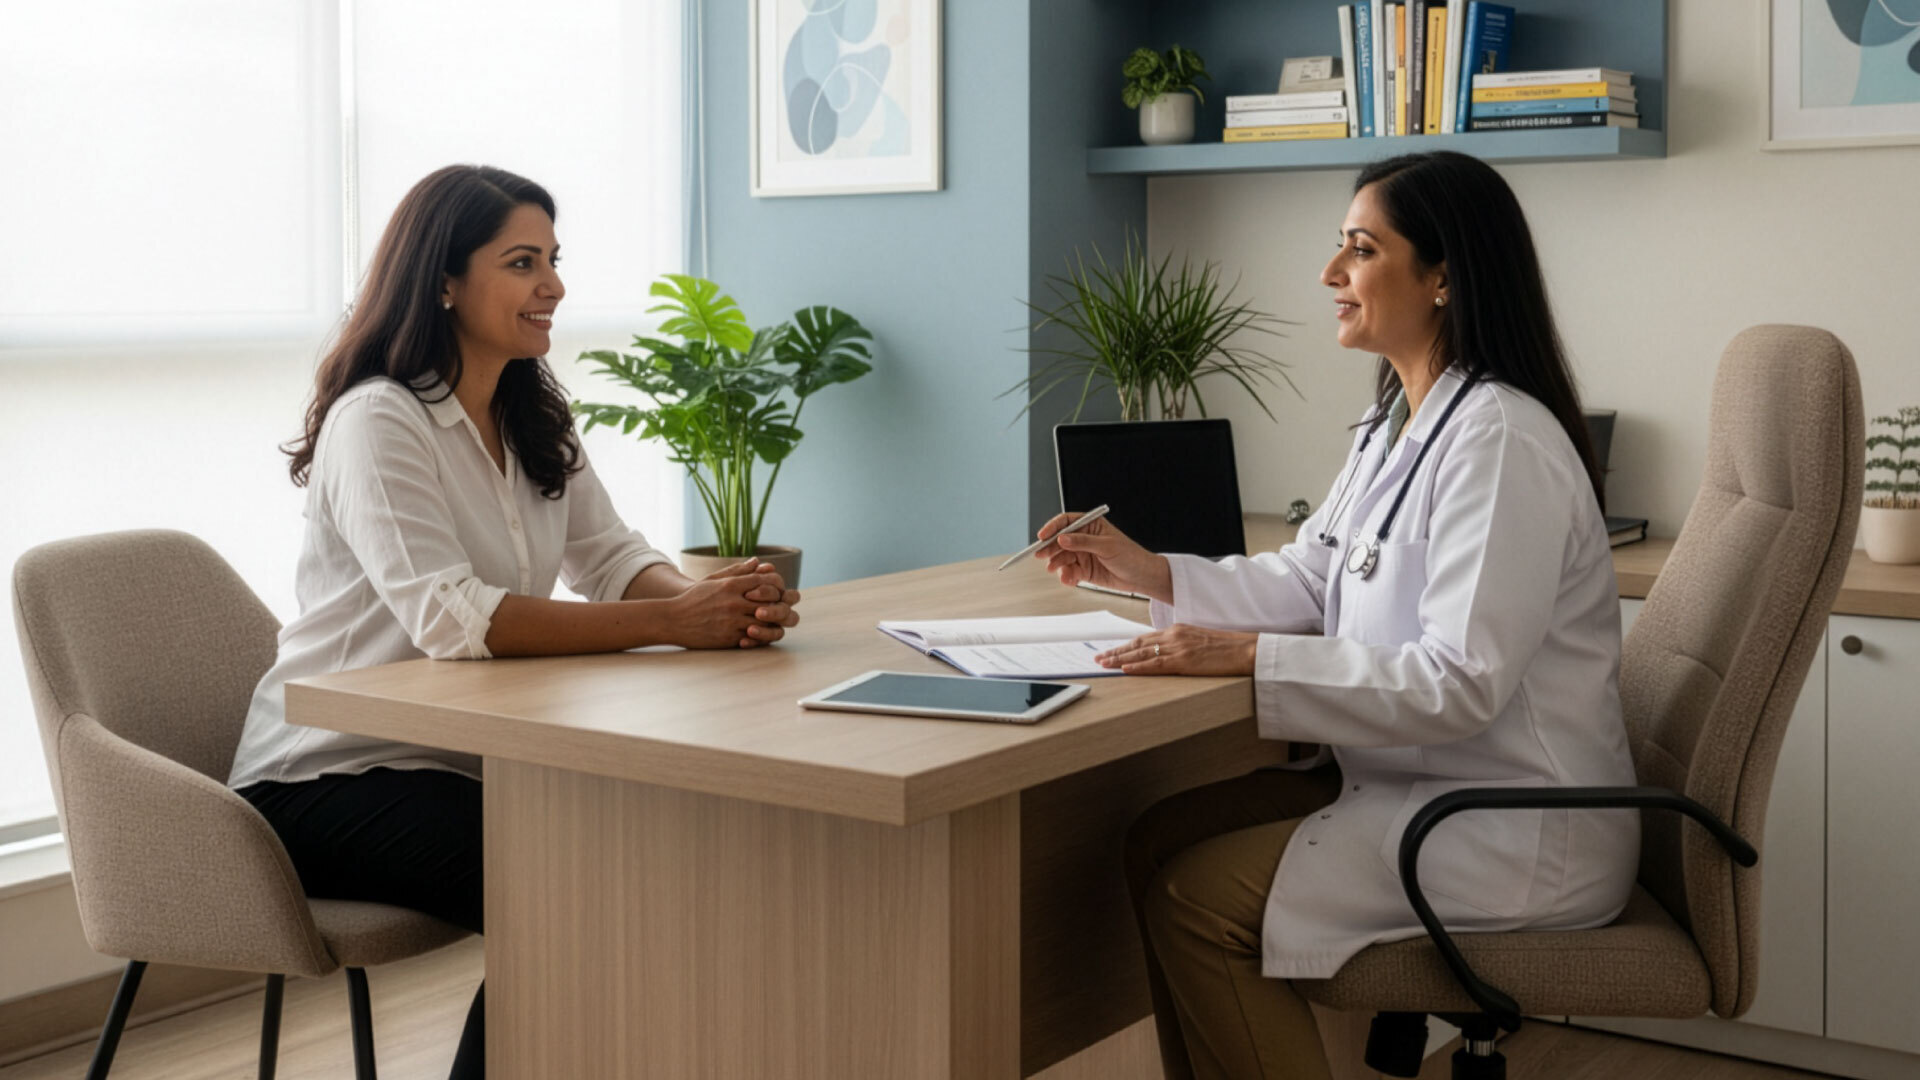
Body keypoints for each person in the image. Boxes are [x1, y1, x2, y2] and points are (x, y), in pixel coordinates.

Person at [1029, 151, 1638, 1080]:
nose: (1330, 274)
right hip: (1420, 780)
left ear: (1442, 278)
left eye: (1360, 250)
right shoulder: (1397, 420)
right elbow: (1315, 581)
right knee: (1154, 837)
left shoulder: (1499, 440)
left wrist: (1247, 659)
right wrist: (1146, 566)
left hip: (1509, 817)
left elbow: (1460, 680)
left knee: (1194, 899)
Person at [226, 164, 801, 1080]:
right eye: (522, 262)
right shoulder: (379, 419)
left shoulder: (531, 413)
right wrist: (673, 624)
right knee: (581, 895)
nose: (554, 287)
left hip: (457, 763)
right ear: (444, 281)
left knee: (642, 865)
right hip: (322, 778)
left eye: (555, 261)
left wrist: (719, 601)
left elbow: (611, 559)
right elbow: (451, 618)